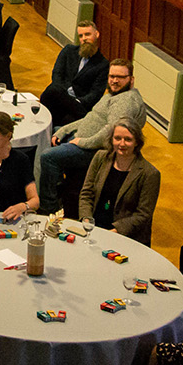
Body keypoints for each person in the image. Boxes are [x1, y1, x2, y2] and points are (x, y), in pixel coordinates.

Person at [36, 57, 145, 215]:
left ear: (131, 79)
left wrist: (83, 142)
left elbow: (111, 132)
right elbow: (91, 119)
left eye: (120, 77)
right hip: (83, 138)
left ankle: (48, 207)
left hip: (94, 149)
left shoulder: (125, 101)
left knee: (48, 156)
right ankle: (59, 189)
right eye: (112, 76)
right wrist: (63, 130)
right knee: (52, 132)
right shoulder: (113, 95)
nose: (114, 81)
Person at [79, 122, 161, 244]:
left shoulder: (150, 174)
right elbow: (86, 193)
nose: (122, 144)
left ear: (137, 142)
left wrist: (114, 232)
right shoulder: (100, 157)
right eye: (117, 138)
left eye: (128, 139)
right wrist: (87, 221)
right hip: (94, 227)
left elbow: (143, 215)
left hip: (125, 235)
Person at [38, 21, 110, 129]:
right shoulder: (68, 51)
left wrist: (73, 101)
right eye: (81, 36)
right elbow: (57, 74)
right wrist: (63, 95)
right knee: (52, 91)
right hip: (59, 96)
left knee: (64, 119)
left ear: (97, 34)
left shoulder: (103, 64)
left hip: (79, 104)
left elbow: (96, 93)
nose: (84, 38)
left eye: (87, 34)